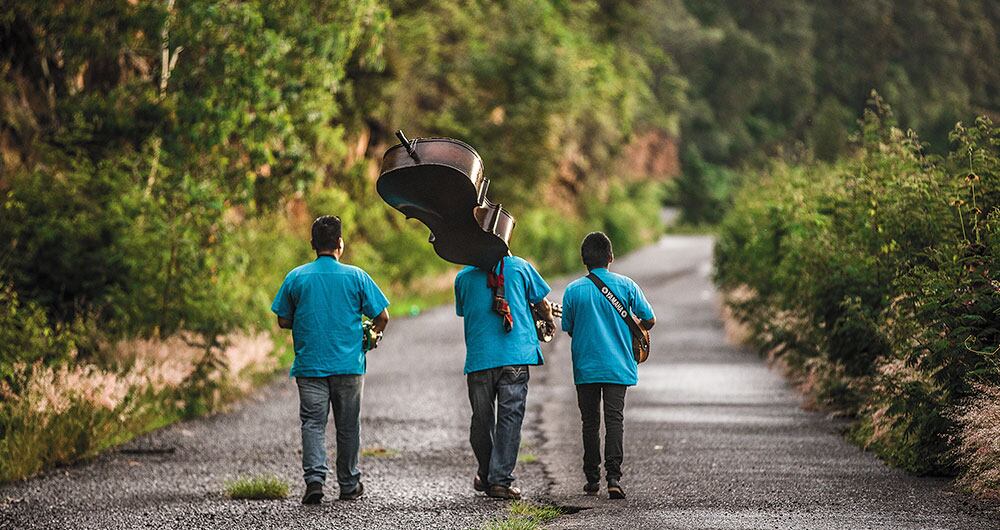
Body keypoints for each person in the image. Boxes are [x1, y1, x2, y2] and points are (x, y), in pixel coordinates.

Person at [272, 215, 390, 504]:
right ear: (340, 243)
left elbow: (283, 319)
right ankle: (349, 484)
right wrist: (371, 336)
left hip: (310, 365)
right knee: (348, 426)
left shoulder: (296, 277)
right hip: (348, 366)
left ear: (313, 244)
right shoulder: (357, 276)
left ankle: (315, 481)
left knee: (312, 423)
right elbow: (382, 316)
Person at [560, 232, 655, 500]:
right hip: (617, 366)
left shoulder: (573, 290)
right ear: (611, 257)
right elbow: (650, 319)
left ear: (584, 260)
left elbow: (568, 327)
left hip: (586, 367)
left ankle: (592, 479)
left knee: (589, 422)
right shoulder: (627, 286)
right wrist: (634, 324)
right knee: (615, 420)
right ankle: (613, 478)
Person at [454, 253, 554, 500]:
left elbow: (464, 310)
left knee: (481, 419)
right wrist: (548, 317)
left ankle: (488, 474)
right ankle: (499, 480)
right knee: (510, 419)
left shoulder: (463, 278)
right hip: (516, 357)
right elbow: (542, 304)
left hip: (480, 359)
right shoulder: (521, 267)